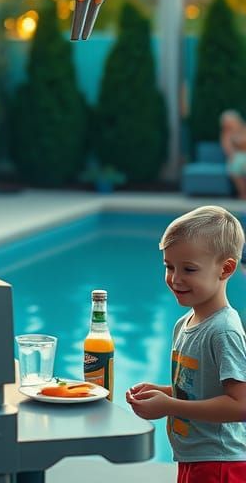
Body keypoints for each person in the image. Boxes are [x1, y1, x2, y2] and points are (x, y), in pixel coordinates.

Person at [126, 205, 246, 482]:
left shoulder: (223, 331)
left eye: (189, 269)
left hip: (220, 464)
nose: (175, 279)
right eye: (169, 266)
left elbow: (240, 405)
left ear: (225, 269)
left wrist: (169, 405)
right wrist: (164, 392)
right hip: (196, 458)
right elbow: (203, 388)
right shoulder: (185, 323)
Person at [220, 109, 246, 199]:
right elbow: (227, 149)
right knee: (235, 167)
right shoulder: (226, 133)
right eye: (226, 122)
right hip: (236, 156)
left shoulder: (244, 128)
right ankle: (243, 193)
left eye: (229, 122)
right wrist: (232, 157)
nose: (227, 124)